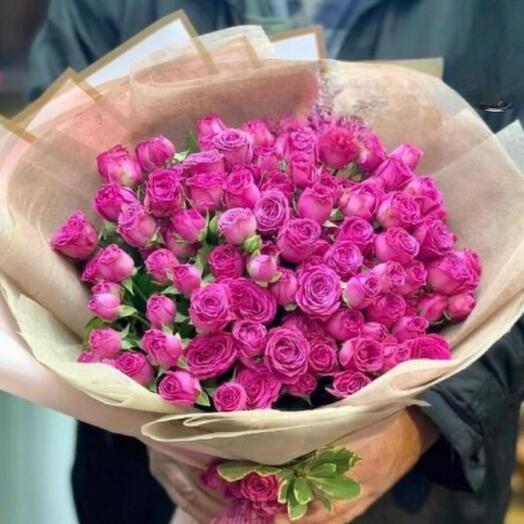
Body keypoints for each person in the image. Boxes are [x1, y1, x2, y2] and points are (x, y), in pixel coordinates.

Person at [26, 1, 524, 523]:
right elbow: (48, 182)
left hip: (414, 495)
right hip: (148, 488)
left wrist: (424, 425)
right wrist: (149, 417)